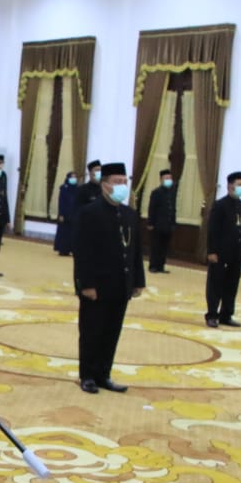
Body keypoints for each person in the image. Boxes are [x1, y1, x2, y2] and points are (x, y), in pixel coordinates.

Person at [74, 162, 145, 394]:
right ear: (104, 185)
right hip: (96, 286)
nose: (121, 186)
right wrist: (86, 284)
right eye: (116, 182)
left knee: (112, 332)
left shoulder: (129, 214)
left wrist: (137, 281)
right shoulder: (90, 212)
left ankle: (104, 374)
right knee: (92, 331)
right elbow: (82, 252)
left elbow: (135, 251)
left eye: (124, 182)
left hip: (121, 284)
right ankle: (87, 376)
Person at [205, 171, 241, 328]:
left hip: (236, 253)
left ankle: (226, 314)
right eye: (239, 185)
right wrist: (211, 251)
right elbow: (213, 230)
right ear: (230, 186)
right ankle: (212, 315)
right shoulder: (220, 205)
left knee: (232, 285)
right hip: (220, 253)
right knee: (215, 285)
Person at [147, 168, 176, 273]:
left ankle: (161, 266)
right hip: (157, 225)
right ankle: (153, 266)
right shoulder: (156, 192)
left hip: (168, 225)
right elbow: (152, 208)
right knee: (156, 246)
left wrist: (173, 223)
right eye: (166, 178)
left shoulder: (172, 192)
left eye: (170, 178)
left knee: (164, 247)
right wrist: (150, 223)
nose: (168, 179)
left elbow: (173, 208)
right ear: (161, 179)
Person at [53, 171, 78, 256]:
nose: (74, 179)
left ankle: (73, 249)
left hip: (74, 214)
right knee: (64, 232)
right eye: (72, 177)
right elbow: (61, 202)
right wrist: (61, 214)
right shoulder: (64, 188)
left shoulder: (77, 188)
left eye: (75, 177)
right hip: (65, 214)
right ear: (68, 178)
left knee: (73, 232)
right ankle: (63, 249)